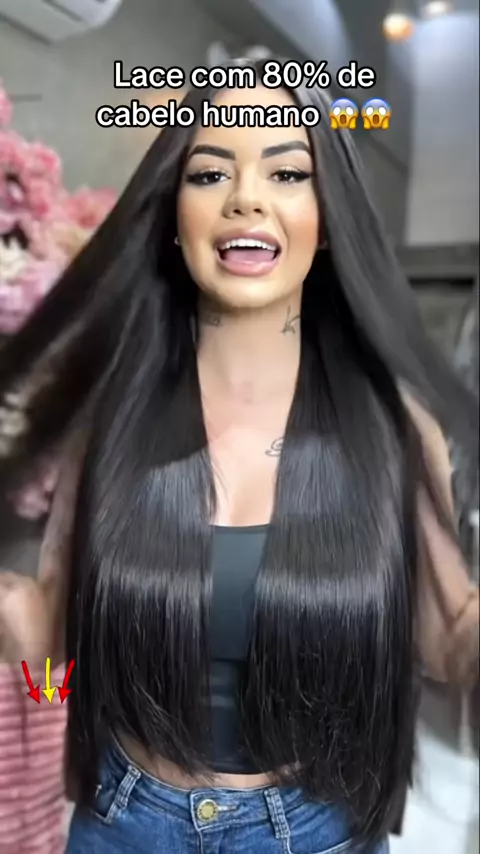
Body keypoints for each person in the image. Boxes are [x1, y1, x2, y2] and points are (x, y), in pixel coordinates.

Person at [0, 57, 478, 854]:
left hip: (316, 832)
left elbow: (449, 641)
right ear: (174, 216)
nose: (246, 198)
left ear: (328, 219)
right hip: (123, 826)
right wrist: (20, 631)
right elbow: (52, 668)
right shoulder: (111, 417)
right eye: (210, 173)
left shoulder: (393, 425)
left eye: (287, 172)